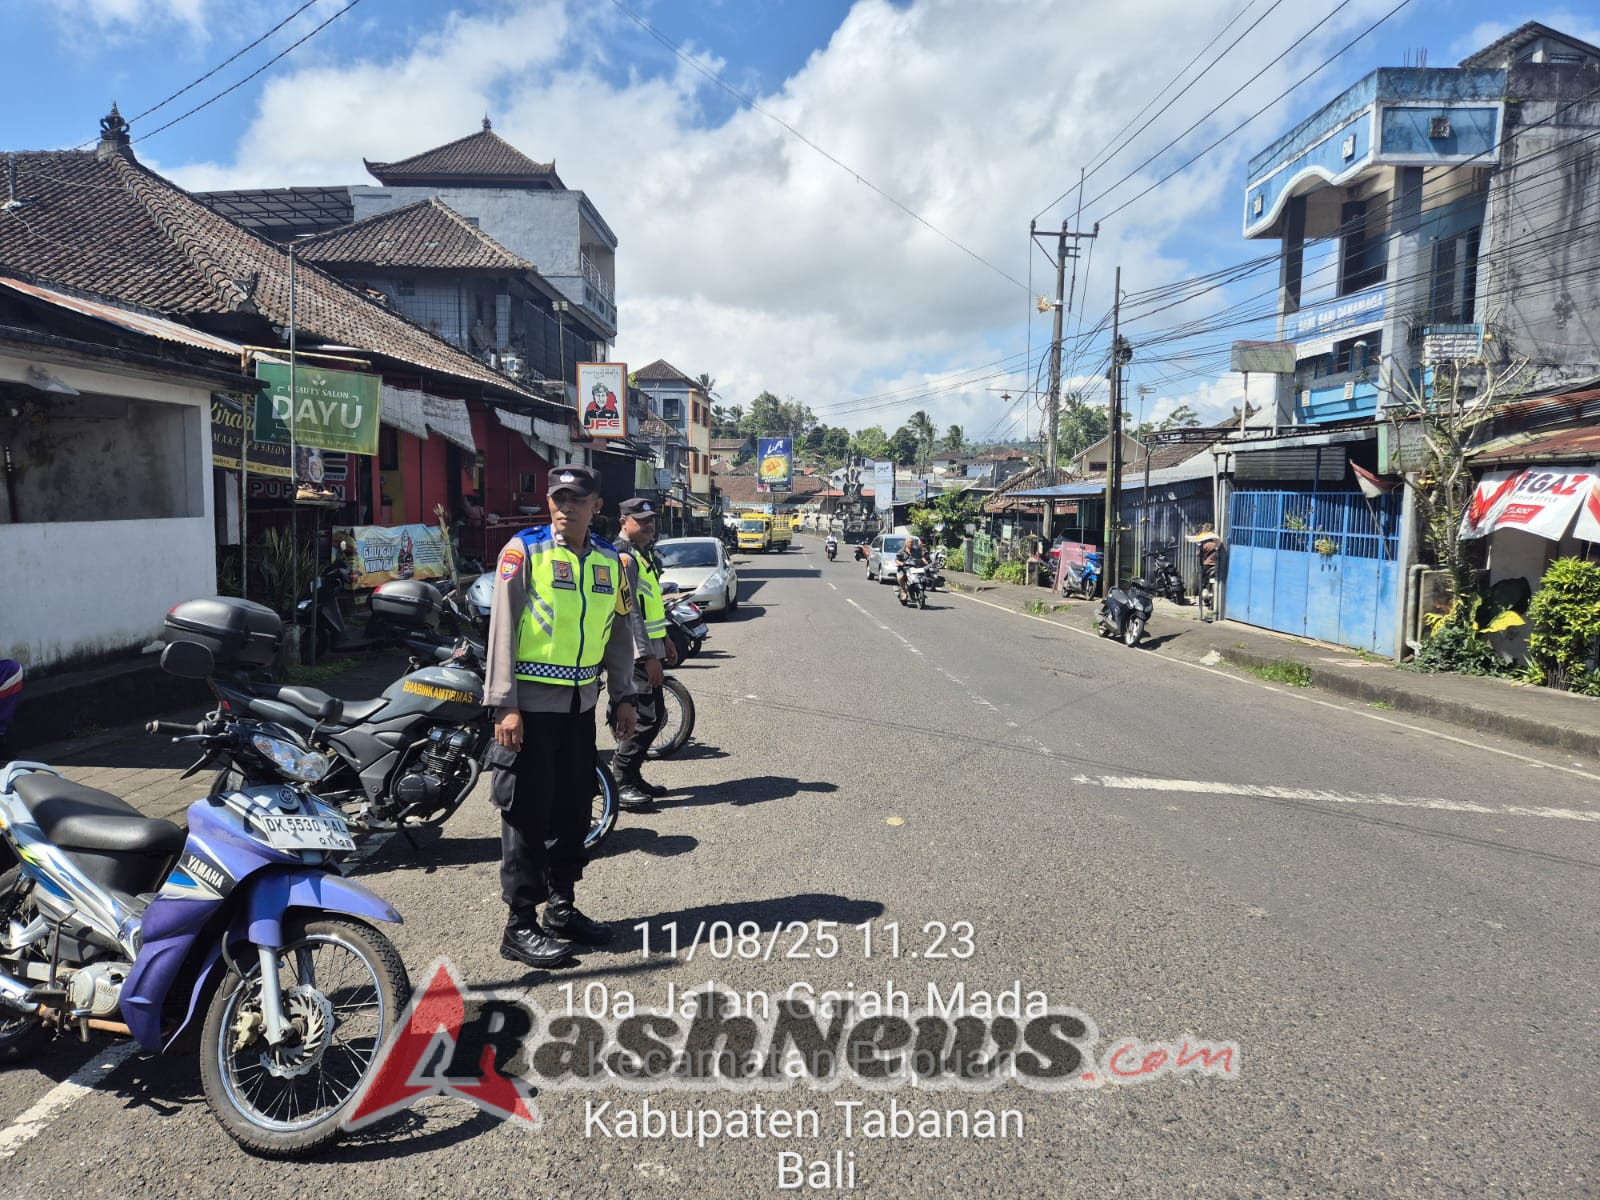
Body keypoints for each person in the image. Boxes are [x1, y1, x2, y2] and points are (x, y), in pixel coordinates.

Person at [484, 464, 638, 970]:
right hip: (527, 709)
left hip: (580, 708)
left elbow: (618, 634)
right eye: (557, 497)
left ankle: (561, 908)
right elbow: (502, 630)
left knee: (573, 810)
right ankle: (519, 925)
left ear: (597, 506)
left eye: (576, 498)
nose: (564, 506)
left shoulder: (614, 563)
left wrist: (623, 696)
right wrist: (504, 702)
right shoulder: (524, 552)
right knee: (526, 815)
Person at [610, 497, 678, 809]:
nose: (650, 525)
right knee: (647, 719)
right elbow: (631, 611)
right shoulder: (624, 558)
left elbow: (651, 605)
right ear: (624, 521)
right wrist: (646, 656)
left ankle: (632, 776)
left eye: (652, 519)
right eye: (641, 520)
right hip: (635, 654)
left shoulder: (640, 554)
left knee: (653, 715)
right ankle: (621, 780)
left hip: (649, 647)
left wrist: (664, 639)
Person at [896, 536, 927, 603]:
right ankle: (904, 591)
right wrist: (901, 563)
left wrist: (926, 563)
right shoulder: (901, 551)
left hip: (914, 568)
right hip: (904, 569)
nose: (911, 543)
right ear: (906, 543)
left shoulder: (916, 551)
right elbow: (896, 560)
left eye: (912, 542)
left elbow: (921, 558)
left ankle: (920, 590)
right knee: (901, 577)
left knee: (924, 578)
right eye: (909, 542)